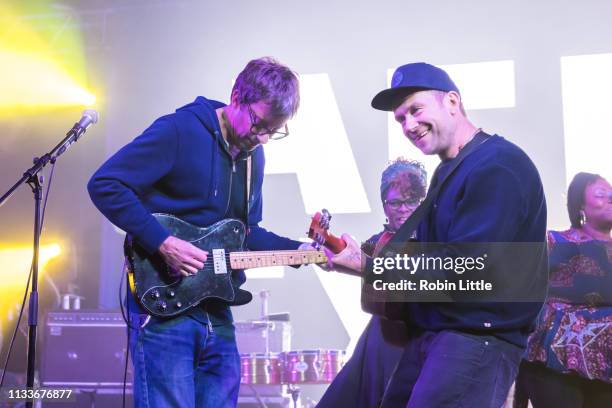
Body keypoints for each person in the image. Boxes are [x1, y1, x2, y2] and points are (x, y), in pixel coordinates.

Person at [88, 57, 313, 408]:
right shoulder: (179, 131)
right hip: (164, 309)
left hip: (217, 310)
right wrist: (162, 242)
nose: (264, 138)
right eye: (259, 124)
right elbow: (105, 183)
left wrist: (303, 250)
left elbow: (246, 233)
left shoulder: (255, 158)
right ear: (237, 96)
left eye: (275, 130)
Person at [326, 62, 548, 407]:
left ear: (452, 102)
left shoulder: (497, 165)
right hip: (436, 334)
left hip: (476, 339)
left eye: (415, 110)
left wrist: (367, 268)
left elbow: (468, 270)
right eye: (400, 119)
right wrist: (367, 262)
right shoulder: (449, 171)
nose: (409, 125)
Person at [317, 158, 427, 408]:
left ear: (423, 201)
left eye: (411, 201)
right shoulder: (381, 240)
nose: (403, 209)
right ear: (384, 205)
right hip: (381, 339)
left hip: (421, 340)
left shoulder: (437, 238)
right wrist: (327, 248)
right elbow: (355, 259)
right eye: (395, 202)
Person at [514, 172, 612, 408]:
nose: (610, 198)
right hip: (555, 361)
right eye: (602, 194)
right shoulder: (554, 242)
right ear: (580, 205)